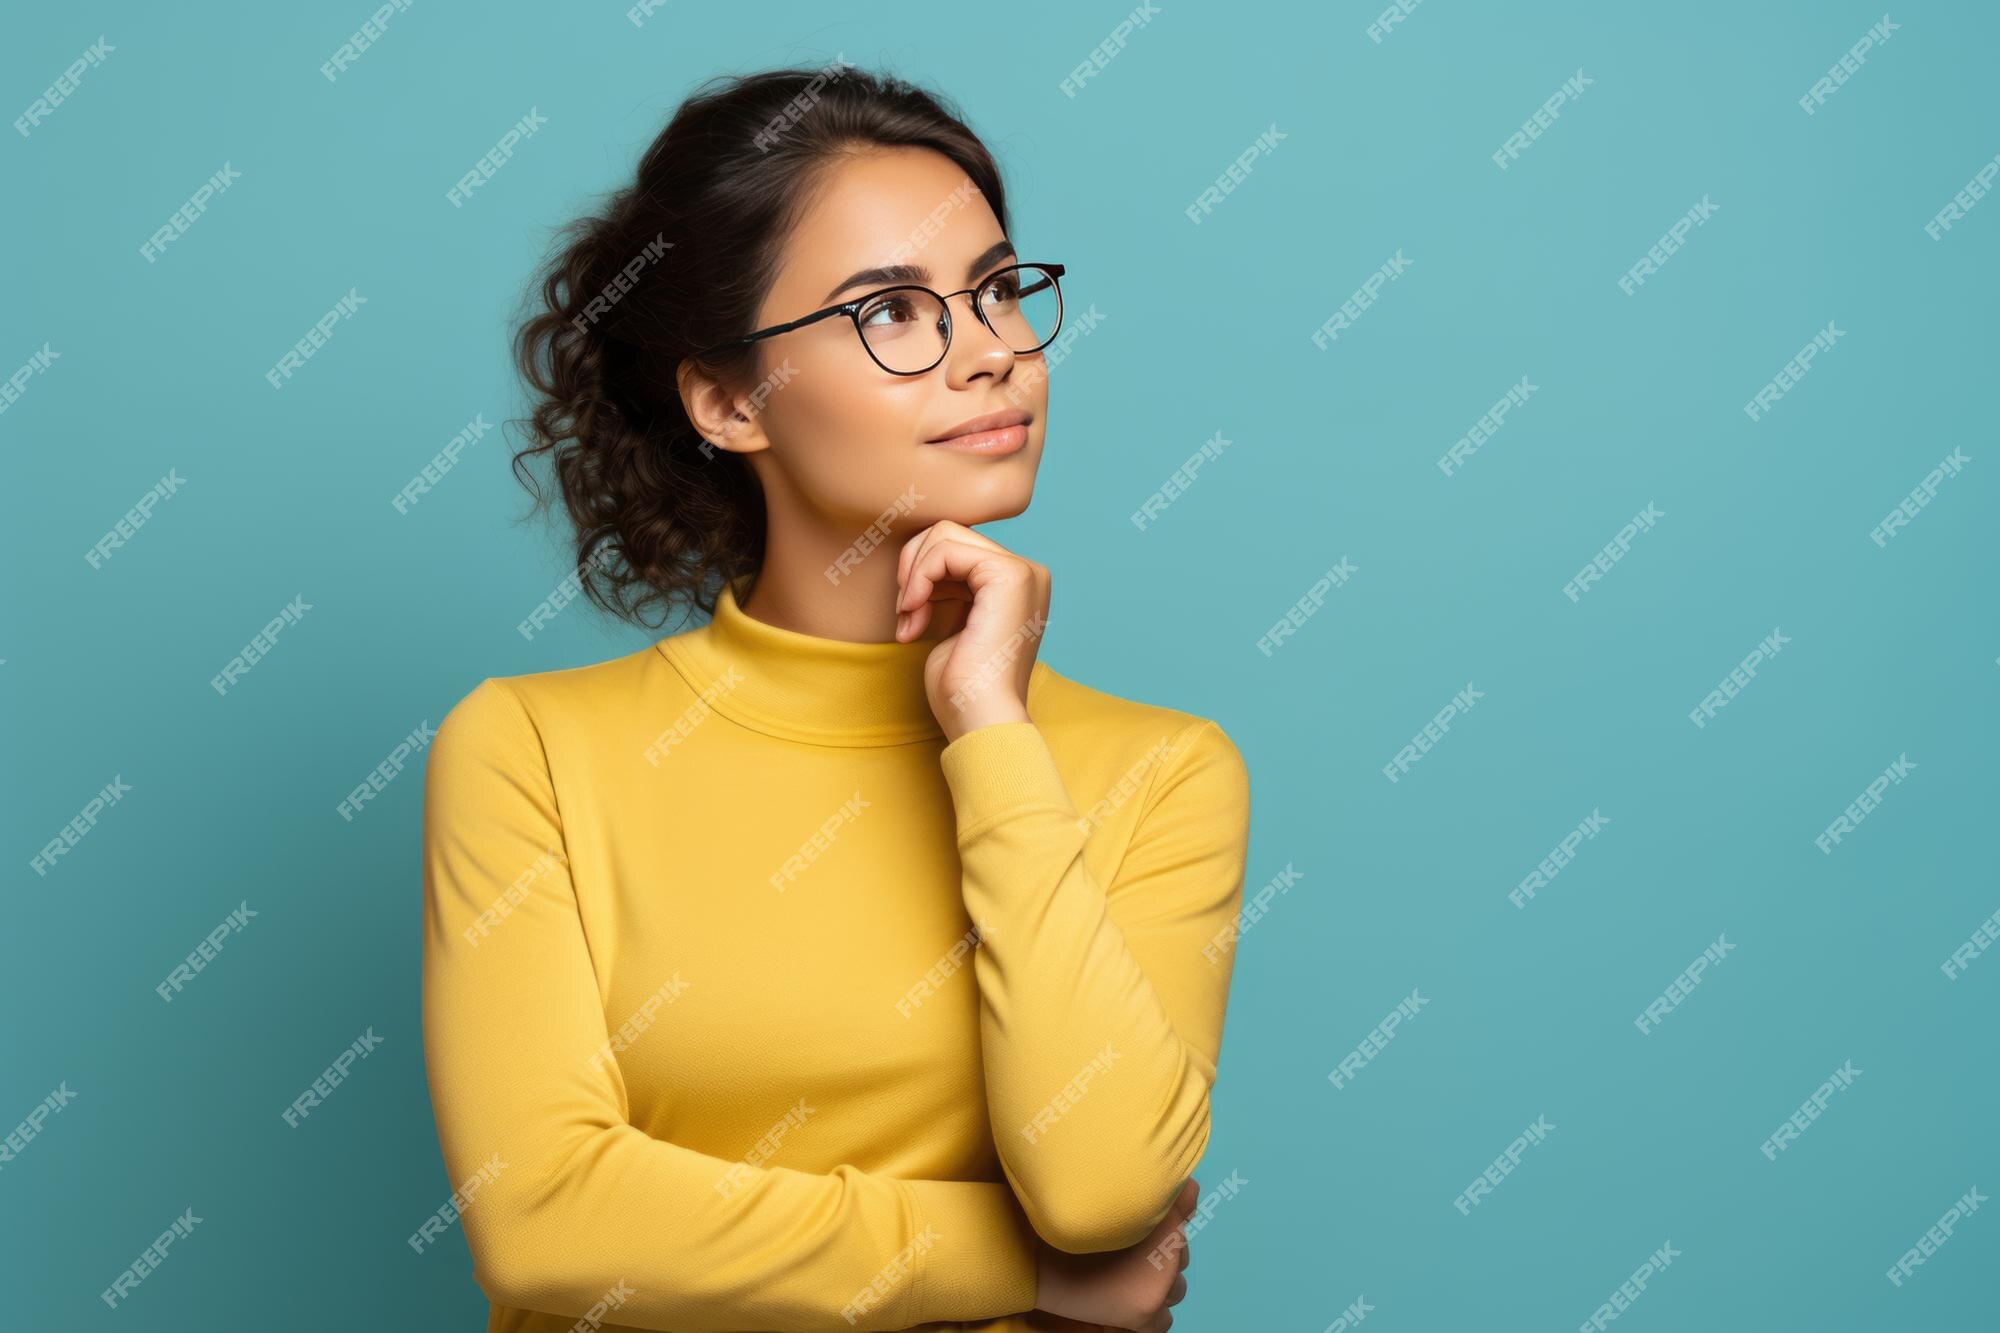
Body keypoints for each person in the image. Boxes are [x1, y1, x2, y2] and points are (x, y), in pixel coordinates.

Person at [420, 59, 1250, 1333]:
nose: (990, 355)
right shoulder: (532, 749)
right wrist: (1018, 1269)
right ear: (728, 399)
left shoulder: (1162, 768)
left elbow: (1098, 1194)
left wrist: (990, 732)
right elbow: (542, 1223)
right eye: (893, 312)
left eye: (995, 291)